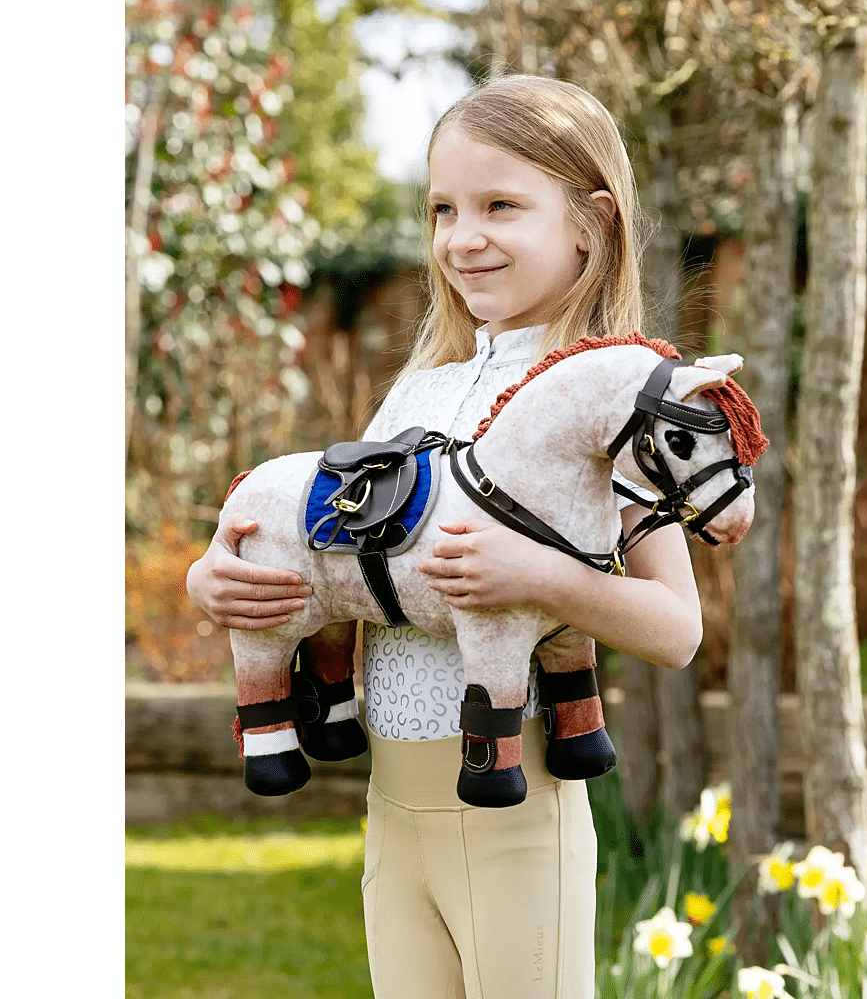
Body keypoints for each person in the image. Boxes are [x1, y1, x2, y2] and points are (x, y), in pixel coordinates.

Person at [187, 74, 703, 999]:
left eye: (500, 205)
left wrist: (540, 577)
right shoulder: (418, 391)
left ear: (590, 223)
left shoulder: (613, 401)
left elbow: (676, 628)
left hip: (516, 804)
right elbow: (340, 548)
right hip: (393, 808)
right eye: (443, 209)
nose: (463, 237)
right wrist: (212, 579)